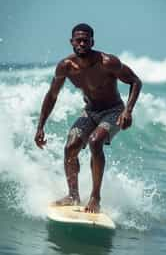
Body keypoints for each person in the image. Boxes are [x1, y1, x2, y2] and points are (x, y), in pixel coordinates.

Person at [34, 23, 142, 213]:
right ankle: (73, 195)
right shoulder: (66, 67)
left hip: (113, 110)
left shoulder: (108, 62)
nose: (82, 43)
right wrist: (40, 126)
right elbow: (52, 95)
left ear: (92, 41)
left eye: (86, 40)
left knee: (95, 141)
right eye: (78, 40)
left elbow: (135, 81)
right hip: (90, 111)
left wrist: (128, 111)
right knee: (71, 146)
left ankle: (95, 197)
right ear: (72, 42)